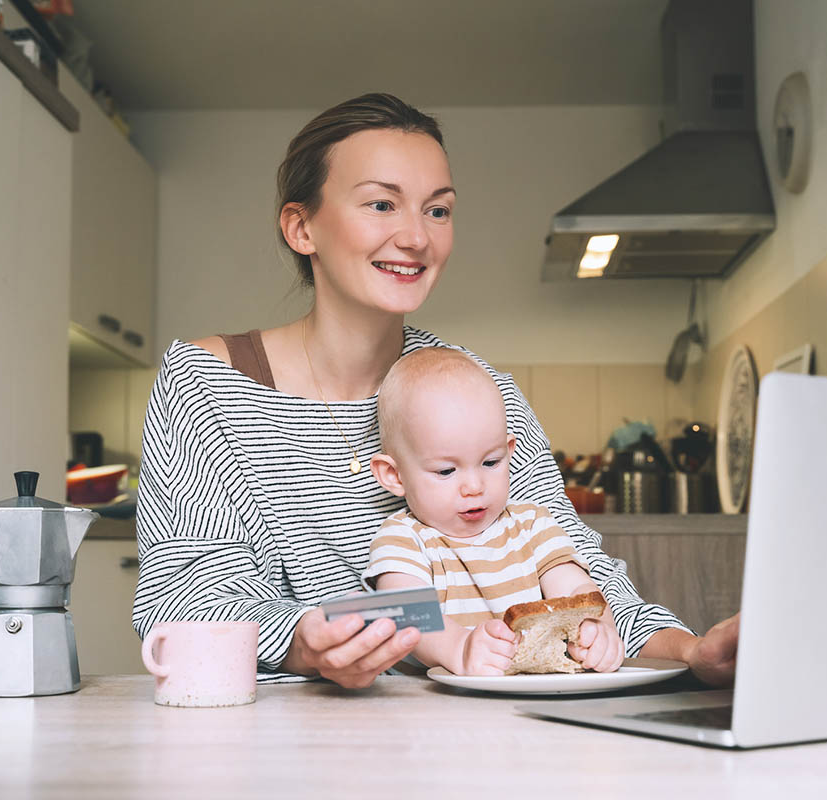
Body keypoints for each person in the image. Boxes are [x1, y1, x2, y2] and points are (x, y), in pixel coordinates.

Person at [132, 92, 739, 689]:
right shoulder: (206, 382)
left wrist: (692, 648)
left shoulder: (481, 393)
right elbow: (186, 602)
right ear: (302, 227)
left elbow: (572, 573)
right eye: (381, 205)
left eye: (438, 210)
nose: (417, 237)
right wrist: (306, 646)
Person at [363, 346, 624, 676]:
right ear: (394, 475)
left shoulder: (532, 527)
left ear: (509, 452)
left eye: (490, 462)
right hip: (431, 705)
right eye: (446, 471)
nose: (473, 485)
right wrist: (459, 648)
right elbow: (409, 611)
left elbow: (575, 591)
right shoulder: (403, 538)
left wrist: (596, 629)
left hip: (531, 699)